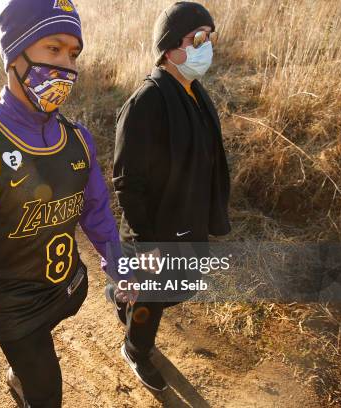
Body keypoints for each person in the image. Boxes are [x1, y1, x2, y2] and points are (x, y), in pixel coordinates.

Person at [0, 1, 119, 406]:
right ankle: (24, 376)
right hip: (15, 307)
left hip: (67, 286)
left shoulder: (78, 138)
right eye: (53, 49)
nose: (66, 67)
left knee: (41, 347)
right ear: (14, 54)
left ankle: (23, 365)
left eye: (73, 53)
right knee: (45, 393)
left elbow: (96, 209)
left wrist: (118, 263)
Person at [109, 1, 231, 392]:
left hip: (187, 218)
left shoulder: (195, 93)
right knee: (155, 297)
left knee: (178, 286)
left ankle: (120, 295)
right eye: (197, 38)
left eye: (209, 37)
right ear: (169, 47)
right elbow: (128, 182)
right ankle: (135, 348)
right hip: (157, 229)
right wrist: (147, 244)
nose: (206, 45)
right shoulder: (146, 102)